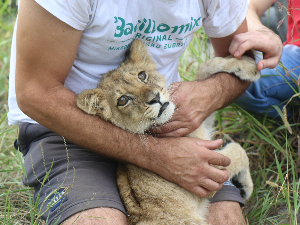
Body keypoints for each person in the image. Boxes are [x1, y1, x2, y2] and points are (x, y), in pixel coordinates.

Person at [8, 0, 281, 224]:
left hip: (162, 120)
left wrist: (210, 93)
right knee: (96, 221)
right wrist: (155, 156)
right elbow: (34, 93)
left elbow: (241, 60)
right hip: (69, 126)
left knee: (225, 219)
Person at [234, 0, 300, 118]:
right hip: (296, 55)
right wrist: (262, 32)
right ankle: (290, 125)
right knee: (236, 79)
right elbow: (244, 7)